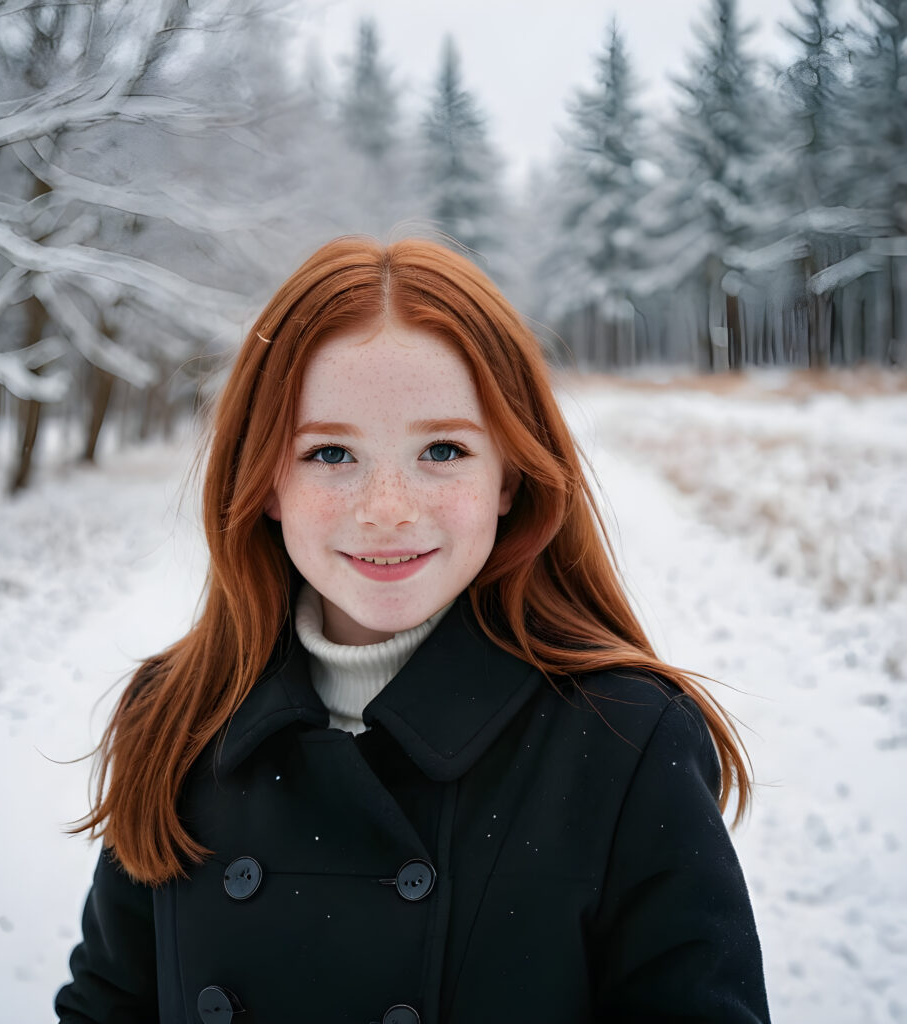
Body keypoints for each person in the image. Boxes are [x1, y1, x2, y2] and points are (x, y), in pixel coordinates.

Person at [55, 236, 770, 1024]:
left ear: (510, 476)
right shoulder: (175, 715)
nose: (387, 507)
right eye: (330, 452)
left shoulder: (625, 741)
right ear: (263, 482)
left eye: (442, 450)